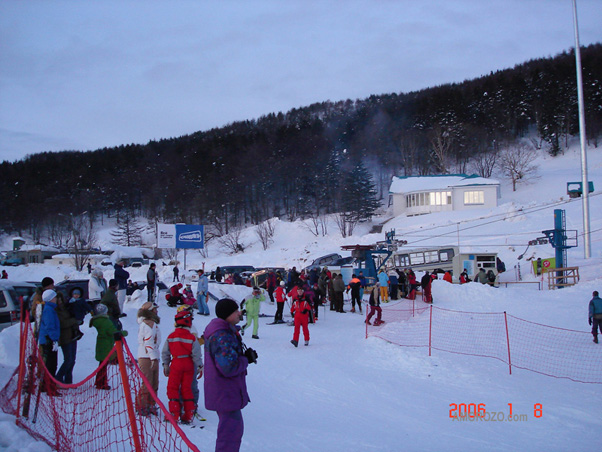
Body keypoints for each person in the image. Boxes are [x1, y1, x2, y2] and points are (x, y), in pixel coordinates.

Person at [204, 298, 255, 452]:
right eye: (235, 311)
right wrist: (245, 360)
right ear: (228, 315)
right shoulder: (222, 336)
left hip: (226, 391)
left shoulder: (226, 331)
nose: (239, 313)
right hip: (225, 391)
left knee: (232, 430)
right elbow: (228, 367)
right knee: (230, 433)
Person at [162, 310, 203, 424]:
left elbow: (165, 352)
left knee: (173, 387)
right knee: (187, 388)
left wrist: (166, 365)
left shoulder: (171, 336)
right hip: (189, 364)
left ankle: (174, 413)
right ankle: (188, 414)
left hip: (176, 363)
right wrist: (200, 366)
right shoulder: (192, 337)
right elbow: (196, 353)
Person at [90, 303, 128, 390]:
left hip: (101, 342)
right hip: (106, 343)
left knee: (101, 364)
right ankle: (101, 383)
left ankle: (99, 381)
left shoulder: (98, 321)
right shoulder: (105, 321)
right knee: (103, 365)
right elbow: (112, 331)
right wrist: (123, 333)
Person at [137, 302, 161, 416]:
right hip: (146, 356)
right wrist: (152, 358)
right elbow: (149, 342)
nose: (157, 311)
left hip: (152, 355)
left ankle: (151, 403)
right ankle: (142, 405)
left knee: (154, 382)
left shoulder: (153, 323)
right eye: (155, 309)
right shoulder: (147, 325)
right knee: (147, 382)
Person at [38, 289, 61, 394]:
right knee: (51, 365)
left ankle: (45, 386)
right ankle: (50, 388)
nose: (56, 299)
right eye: (54, 297)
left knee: (49, 364)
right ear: (50, 298)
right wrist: (54, 340)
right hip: (49, 340)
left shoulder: (49, 309)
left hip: (48, 339)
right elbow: (50, 326)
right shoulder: (49, 310)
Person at [55, 292, 81, 384]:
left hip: (72, 335)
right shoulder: (56, 311)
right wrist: (74, 321)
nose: (60, 301)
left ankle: (68, 380)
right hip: (64, 337)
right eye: (58, 300)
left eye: (60, 299)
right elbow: (62, 324)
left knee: (72, 360)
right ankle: (58, 378)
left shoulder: (66, 307)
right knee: (68, 360)